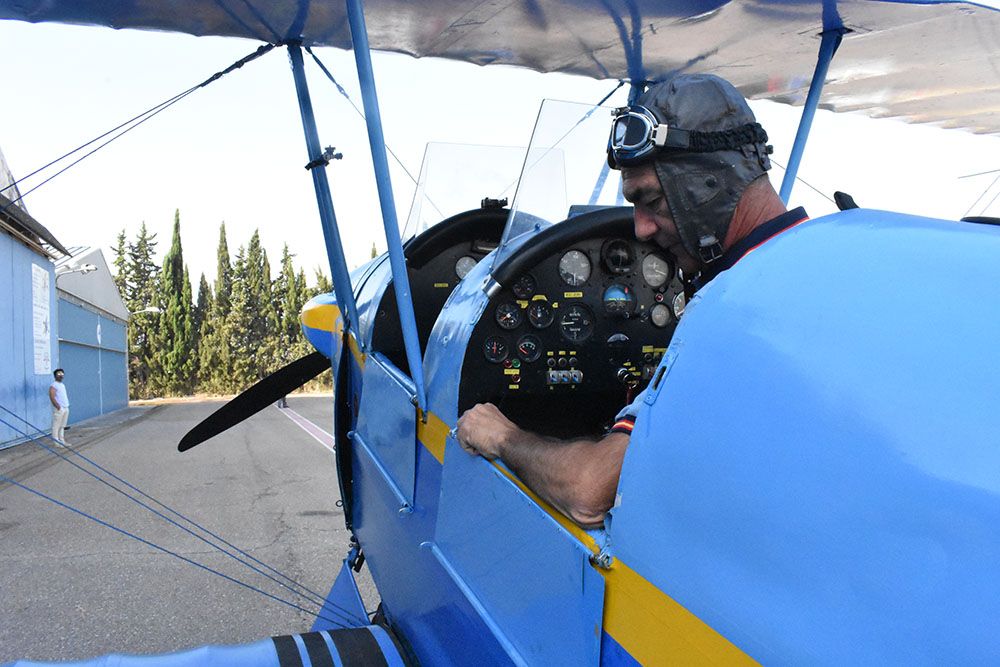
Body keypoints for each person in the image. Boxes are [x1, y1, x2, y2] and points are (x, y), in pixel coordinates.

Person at [456, 73, 810, 528]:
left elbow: (589, 493)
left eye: (652, 200)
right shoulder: (815, 258)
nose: (641, 229)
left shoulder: (733, 311)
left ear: (708, 183)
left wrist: (502, 436)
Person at [49, 368, 70, 443]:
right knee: (56, 425)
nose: (61, 376)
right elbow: (52, 396)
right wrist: (58, 406)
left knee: (62, 425)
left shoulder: (62, 385)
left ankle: (62, 440)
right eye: (59, 374)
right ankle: (56, 441)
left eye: (62, 374)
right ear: (55, 376)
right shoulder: (54, 385)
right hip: (59, 409)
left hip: (66, 407)